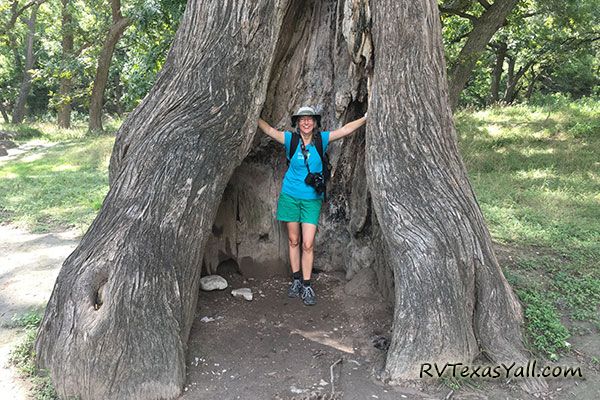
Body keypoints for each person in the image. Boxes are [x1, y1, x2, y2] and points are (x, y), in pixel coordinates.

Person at [257, 106, 367, 305]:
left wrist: (366, 117)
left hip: (311, 199)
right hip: (290, 196)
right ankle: (297, 280)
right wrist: (252, 115)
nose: (306, 122)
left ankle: (307, 285)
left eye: (310, 119)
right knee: (293, 240)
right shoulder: (291, 140)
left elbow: (345, 130)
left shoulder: (320, 140)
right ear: (297, 123)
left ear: (315, 123)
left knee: (307, 244)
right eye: (302, 119)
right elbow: (270, 131)